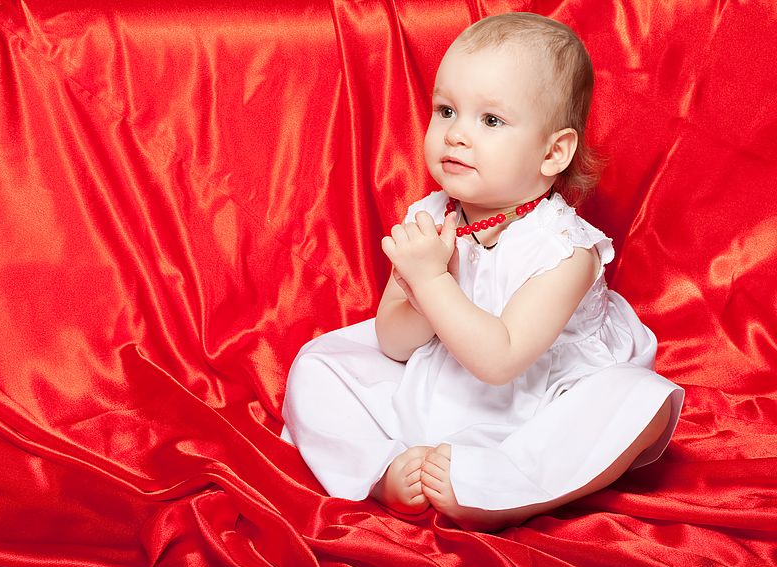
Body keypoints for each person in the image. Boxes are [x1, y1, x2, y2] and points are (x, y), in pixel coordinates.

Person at [280, 12, 684, 532]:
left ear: (553, 151)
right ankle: (381, 468)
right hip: (437, 381)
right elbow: (394, 343)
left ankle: (511, 487)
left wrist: (431, 282)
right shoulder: (430, 216)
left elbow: (500, 361)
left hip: (539, 400)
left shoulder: (567, 250)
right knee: (318, 364)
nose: (456, 135)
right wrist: (421, 284)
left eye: (490, 121)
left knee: (641, 404)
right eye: (446, 111)